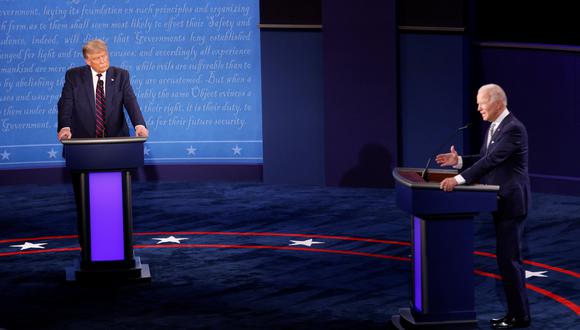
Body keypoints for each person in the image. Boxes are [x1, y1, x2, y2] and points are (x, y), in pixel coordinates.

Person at [436, 84, 531, 329]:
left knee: (509, 261)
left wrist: (458, 179)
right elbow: (484, 158)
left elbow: (492, 160)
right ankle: (515, 314)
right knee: (505, 260)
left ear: (498, 102)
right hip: (498, 201)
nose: (478, 108)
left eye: (482, 103)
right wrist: (459, 161)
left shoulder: (513, 129)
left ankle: (519, 317)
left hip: (511, 203)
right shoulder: (495, 128)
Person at [57, 38, 148, 140]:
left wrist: (139, 125)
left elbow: (131, 102)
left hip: (116, 139)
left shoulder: (121, 75)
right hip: (82, 139)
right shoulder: (74, 77)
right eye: (97, 58)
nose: (102, 61)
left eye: (104, 56)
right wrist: (65, 127)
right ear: (88, 61)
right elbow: (66, 104)